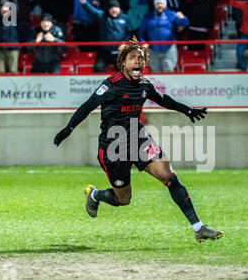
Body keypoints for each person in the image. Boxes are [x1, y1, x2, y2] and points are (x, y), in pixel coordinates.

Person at [53, 36, 224, 243]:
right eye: (132, 58)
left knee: (169, 176)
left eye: (141, 58)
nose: (137, 61)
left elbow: (163, 100)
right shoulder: (111, 85)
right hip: (112, 148)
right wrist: (68, 128)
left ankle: (199, 228)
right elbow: (87, 105)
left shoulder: (144, 85)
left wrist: (187, 110)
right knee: (123, 199)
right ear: (123, 62)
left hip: (138, 139)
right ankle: (95, 195)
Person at [79, 0, 132, 72]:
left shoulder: (125, 18)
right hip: (104, 50)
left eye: (116, 7)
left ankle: (122, 84)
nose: (114, 10)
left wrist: (124, 43)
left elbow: (130, 33)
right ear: (108, 9)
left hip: (119, 51)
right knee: (98, 67)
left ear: (119, 8)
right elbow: (92, 11)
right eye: (111, 8)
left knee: (124, 69)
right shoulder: (103, 16)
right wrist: (84, 3)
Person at [138, 0, 189, 72]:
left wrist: (183, 18)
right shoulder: (148, 17)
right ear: (154, 5)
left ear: (165, 4)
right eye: (157, 4)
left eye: (161, 3)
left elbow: (184, 24)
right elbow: (141, 32)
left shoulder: (171, 14)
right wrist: (143, 42)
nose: (159, 5)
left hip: (169, 50)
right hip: (153, 51)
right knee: (155, 74)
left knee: (168, 72)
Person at [0, 0, 19, 73]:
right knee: (1, 72)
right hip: (0, 48)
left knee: (13, 71)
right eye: (1, 7)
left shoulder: (13, 18)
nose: (3, 9)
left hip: (12, 48)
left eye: (6, 7)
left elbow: (15, 8)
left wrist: (14, 0)